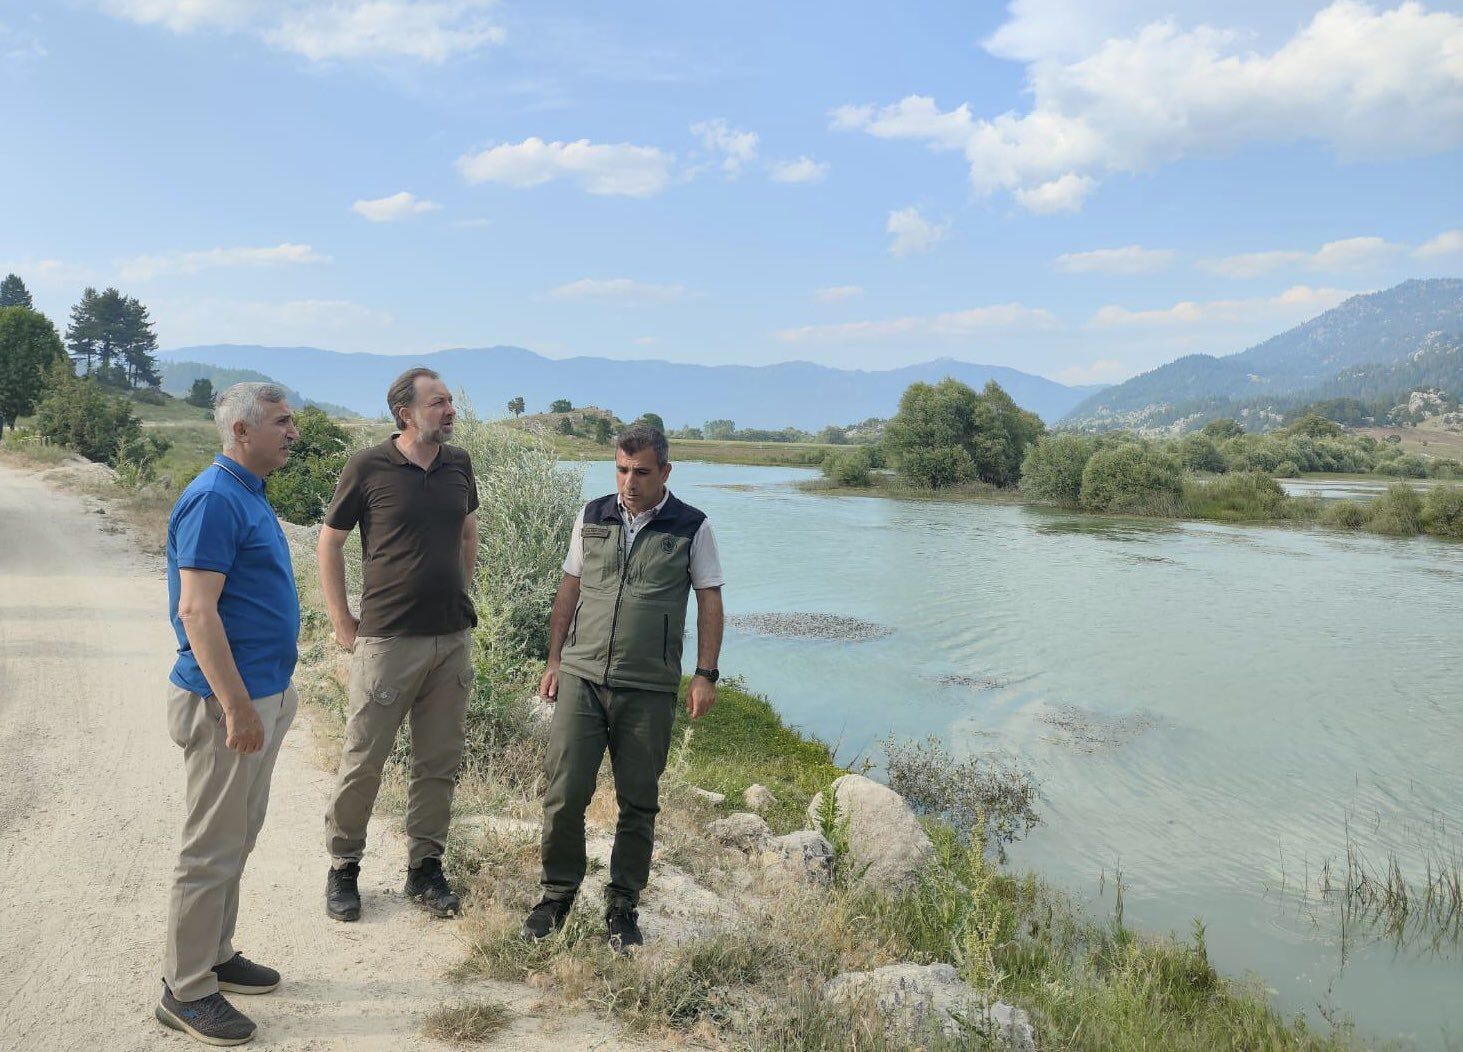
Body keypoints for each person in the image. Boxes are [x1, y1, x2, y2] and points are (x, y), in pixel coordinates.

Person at [521, 422, 724, 952]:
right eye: (622, 469)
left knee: (638, 801)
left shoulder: (692, 527)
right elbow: (570, 587)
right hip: (583, 679)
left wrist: (705, 674)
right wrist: (555, 659)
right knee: (564, 794)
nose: (629, 482)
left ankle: (622, 907)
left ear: (665, 472)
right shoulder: (592, 516)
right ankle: (556, 897)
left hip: (649, 688)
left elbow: (709, 601)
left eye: (641, 472)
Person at [158, 382, 301, 1046]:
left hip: (260, 696)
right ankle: (184, 989)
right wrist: (237, 707)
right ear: (242, 432)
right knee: (209, 848)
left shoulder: (246, 494)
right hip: (226, 704)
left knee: (236, 838)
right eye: (280, 422)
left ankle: (215, 955)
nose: (293, 432)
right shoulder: (215, 498)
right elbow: (196, 610)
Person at [318, 367, 479, 922]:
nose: (450, 410)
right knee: (363, 760)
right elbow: (330, 544)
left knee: (438, 763)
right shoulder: (368, 465)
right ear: (406, 413)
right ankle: (343, 868)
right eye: (438, 402)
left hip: (450, 641)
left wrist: (461, 591)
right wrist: (343, 621)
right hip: (386, 640)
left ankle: (425, 870)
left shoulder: (459, 465)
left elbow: (466, 532)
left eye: (450, 400)